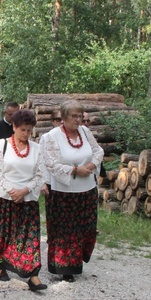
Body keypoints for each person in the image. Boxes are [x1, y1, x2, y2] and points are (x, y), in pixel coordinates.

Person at [42, 100, 103, 282]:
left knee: (85, 229)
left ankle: (77, 261)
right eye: (74, 116)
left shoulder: (85, 132)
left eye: (80, 116)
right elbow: (50, 163)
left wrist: (90, 165)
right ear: (64, 117)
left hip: (87, 190)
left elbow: (98, 151)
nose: (78, 120)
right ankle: (64, 267)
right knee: (65, 232)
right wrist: (75, 170)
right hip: (63, 193)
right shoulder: (52, 137)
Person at [0, 109, 47, 291]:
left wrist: (25, 191)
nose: (27, 134)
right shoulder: (0, 145)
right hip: (6, 197)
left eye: (29, 131)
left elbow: (40, 174)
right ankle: (0, 265)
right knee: (3, 234)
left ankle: (33, 274)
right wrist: (12, 191)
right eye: (23, 130)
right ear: (14, 127)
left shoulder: (36, 149)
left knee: (29, 238)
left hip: (27, 199)